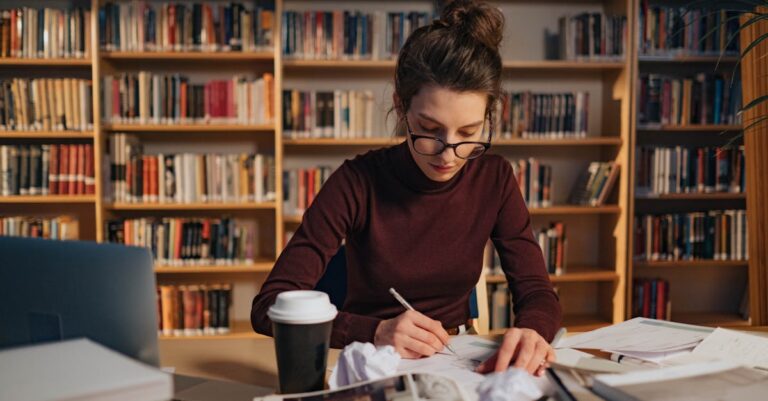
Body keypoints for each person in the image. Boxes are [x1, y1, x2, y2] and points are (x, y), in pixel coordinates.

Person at [252, 0, 562, 376]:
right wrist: (374, 331)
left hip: (462, 360)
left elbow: (536, 290)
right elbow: (268, 305)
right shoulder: (357, 182)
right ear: (401, 108)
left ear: (489, 116)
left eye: (468, 133)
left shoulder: (494, 177)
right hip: (377, 362)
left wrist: (533, 330)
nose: (448, 154)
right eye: (430, 130)